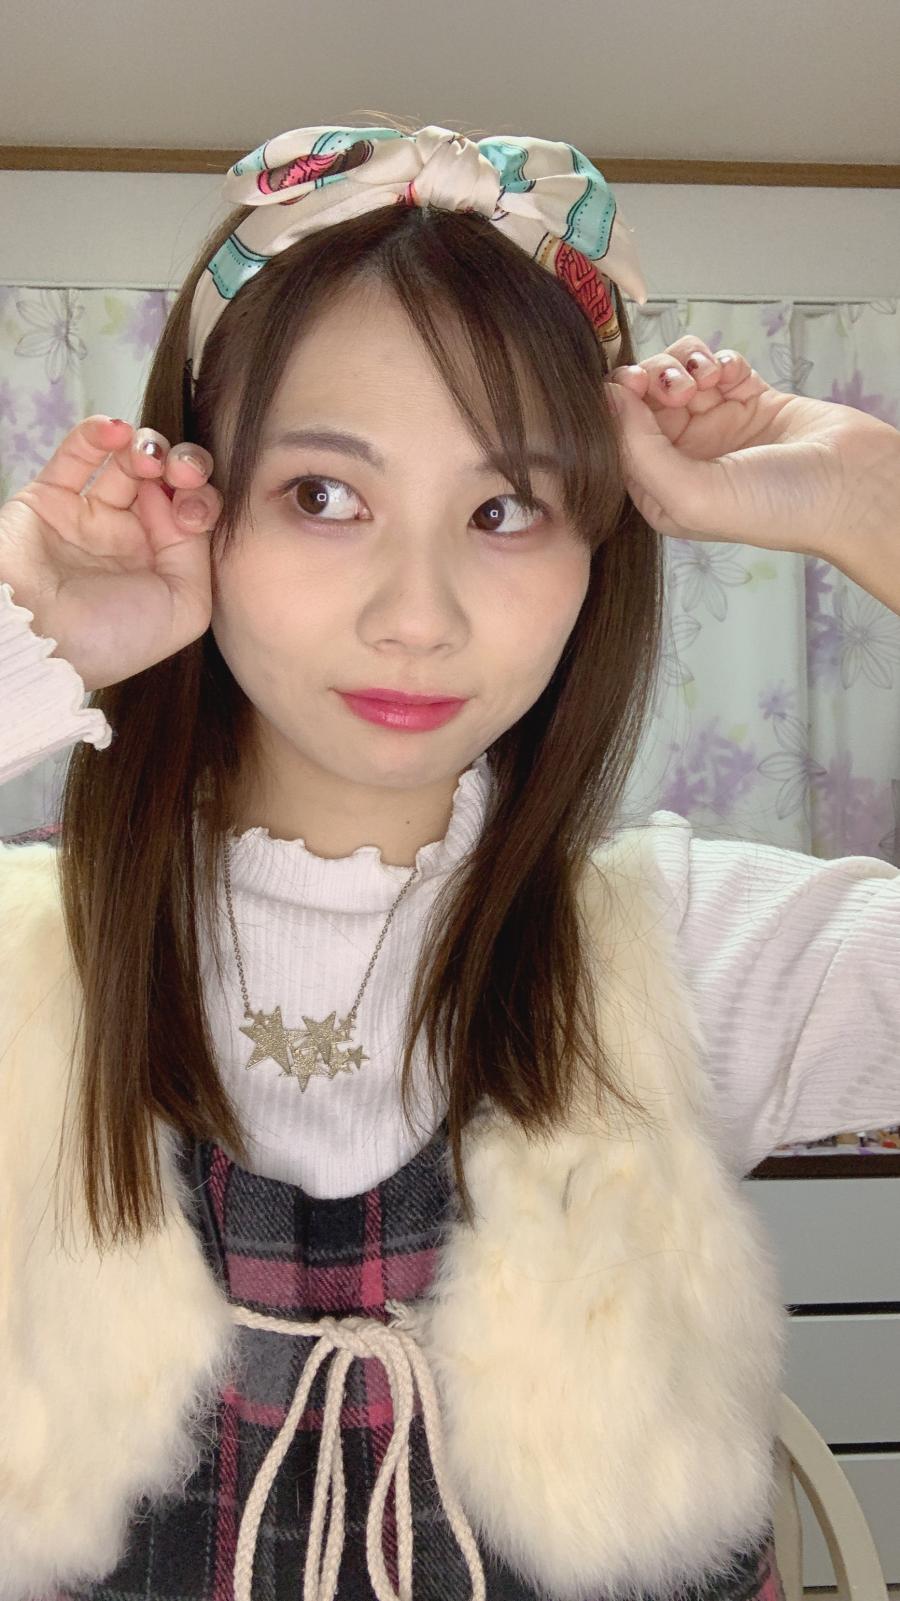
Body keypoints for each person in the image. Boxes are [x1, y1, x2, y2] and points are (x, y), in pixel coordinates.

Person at [0, 121, 898, 1601]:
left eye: (505, 509)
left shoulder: (694, 951)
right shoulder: (33, 964)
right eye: (324, 496)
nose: (415, 614)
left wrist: (874, 504)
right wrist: (28, 636)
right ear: (199, 504)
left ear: (598, 540)